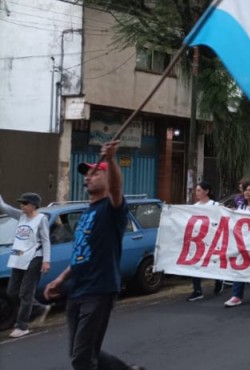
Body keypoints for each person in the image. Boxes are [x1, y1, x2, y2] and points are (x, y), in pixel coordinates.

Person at [44, 140, 144, 369]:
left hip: (99, 290)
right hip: (77, 290)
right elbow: (81, 255)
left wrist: (110, 159)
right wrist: (60, 280)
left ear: (109, 179)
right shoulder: (87, 213)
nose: (88, 177)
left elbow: (118, 190)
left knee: (82, 358)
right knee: (85, 352)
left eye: (95, 173)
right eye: (87, 174)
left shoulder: (112, 210)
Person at [0, 192, 51, 338]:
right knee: (12, 291)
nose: (22, 206)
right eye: (21, 203)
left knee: (25, 293)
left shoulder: (41, 219)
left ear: (34, 205)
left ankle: (22, 325)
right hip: (18, 258)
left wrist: (46, 261)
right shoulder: (21, 216)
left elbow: (46, 240)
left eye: (25, 203)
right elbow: (3, 207)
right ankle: (39, 308)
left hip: (34, 258)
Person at [186, 182, 224, 302]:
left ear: (206, 191)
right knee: (195, 263)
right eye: (196, 191)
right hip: (199, 240)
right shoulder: (195, 206)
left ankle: (219, 280)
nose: (196, 193)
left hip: (213, 239)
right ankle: (197, 290)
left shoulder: (215, 205)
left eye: (199, 190)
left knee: (212, 262)